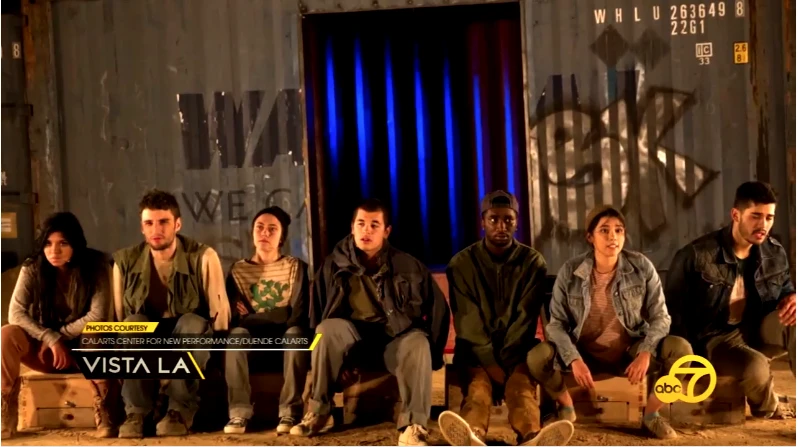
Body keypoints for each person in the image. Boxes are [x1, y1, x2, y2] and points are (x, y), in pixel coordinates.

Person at [290, 198, 450, 446]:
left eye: (374, 225)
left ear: (386, 231)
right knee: (326, 330)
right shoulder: (333, 266)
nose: (367, 230)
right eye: (361, 224)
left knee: (418, 341)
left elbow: (439, 309)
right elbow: (319, 312)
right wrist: (333, 364)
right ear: (352, 227)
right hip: (352, 343)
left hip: (395, 342)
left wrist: (435, 354)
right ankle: (320, 412)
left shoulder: (408, 266)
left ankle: (413, 426)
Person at [529, 205, 692, 440]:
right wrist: (573, 358)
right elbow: (556, 324)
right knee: (537, 356)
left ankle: (652, 415)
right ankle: (566, 409)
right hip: (583, 353)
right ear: (590, 237)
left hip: (629, 352)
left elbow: (661, 317)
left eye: (619, 230)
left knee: (681, 352)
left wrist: (645, 352)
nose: (612, 237)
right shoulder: (571, 271)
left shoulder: (641, 267)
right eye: (604, 230)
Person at [437, 190, 575, 447]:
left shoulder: (532, 262)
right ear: (482, 221)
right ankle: (474, 435)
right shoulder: (462, 264)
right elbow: (467, 321)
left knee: (521, 392)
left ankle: (532, 437)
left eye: (508, 220)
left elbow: (526, 317)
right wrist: (491, 363)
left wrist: (507, 362)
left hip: (517, 352)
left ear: (517, 221)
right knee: (477, 393)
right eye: (493, 219)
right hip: (477, 353)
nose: (501, 226)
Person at [665, 181, 796, 419]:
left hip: (758, 328)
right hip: (717, 339)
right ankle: (769, 406)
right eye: (756, 216)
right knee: (756, 369)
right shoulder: (695, 256)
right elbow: (673, 313)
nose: (763, 225)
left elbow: (785, 287)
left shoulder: (774, 252)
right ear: (736, 215)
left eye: (769, 217)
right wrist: (693, 363)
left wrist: (792, 297)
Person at [113, 189, 230, 438]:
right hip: (149, 335)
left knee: (191, 324)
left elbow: (219, 316)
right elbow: (119, 316)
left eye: (164, 222)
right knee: (131, 324)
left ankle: (179, 409)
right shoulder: (124, 261)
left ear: (177, 224)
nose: (156, 229)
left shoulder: (202, 256)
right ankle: (137, 412)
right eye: (149, 223)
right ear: (142, 227)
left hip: (188, 333)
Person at [1, 212, 117, 439]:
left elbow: (98, 315)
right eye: (48, 243)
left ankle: (105, 409)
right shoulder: (33, 268)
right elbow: (15, 313)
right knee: (6, 334)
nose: (54, 251)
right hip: (47, 353)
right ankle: (5, 409)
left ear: (75, 243)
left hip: (85, 352)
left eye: (63, 243)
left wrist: (59, 336)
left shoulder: (96, 265)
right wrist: (49, 339)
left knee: (97, 332)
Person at [223, 206, 311, 435]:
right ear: (252, 232)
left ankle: (290, 411)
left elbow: (296, 315)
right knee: (235, 337)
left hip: (287, 338)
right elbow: (236, 321)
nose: (264, 233)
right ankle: (238, 413)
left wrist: (253, 316)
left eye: (272, 229)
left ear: (281, 236)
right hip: (253, 342)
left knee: (296, 335)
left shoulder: (295, 267)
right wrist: (276, 313)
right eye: (259, 227)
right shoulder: (237, 270)